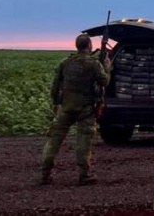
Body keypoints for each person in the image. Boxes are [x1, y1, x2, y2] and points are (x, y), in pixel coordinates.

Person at [40, 34, 111, 186]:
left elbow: (55, 85)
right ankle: (84, 175)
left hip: (66, 108)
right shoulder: (93, 64)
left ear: (76, 45)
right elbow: (104, 81)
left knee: (54, 140)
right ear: (89, 46)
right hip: (85, 109)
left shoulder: (65, 62)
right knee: (84, 141)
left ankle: (44, 173)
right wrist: (107, 66)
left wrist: (55, 103)